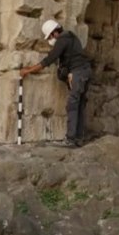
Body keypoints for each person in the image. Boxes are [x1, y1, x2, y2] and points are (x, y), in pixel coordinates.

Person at [19, 19, 92, 147]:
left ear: (54, 33)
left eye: (49, 36)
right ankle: (78, 138)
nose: (50, 39)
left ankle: (71, 139)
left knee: (72, 105)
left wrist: (28, 70)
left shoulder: (62, 40)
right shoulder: (71, 36)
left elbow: (49, 60)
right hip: (84, 71)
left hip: (78, 73)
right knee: (79, 105)